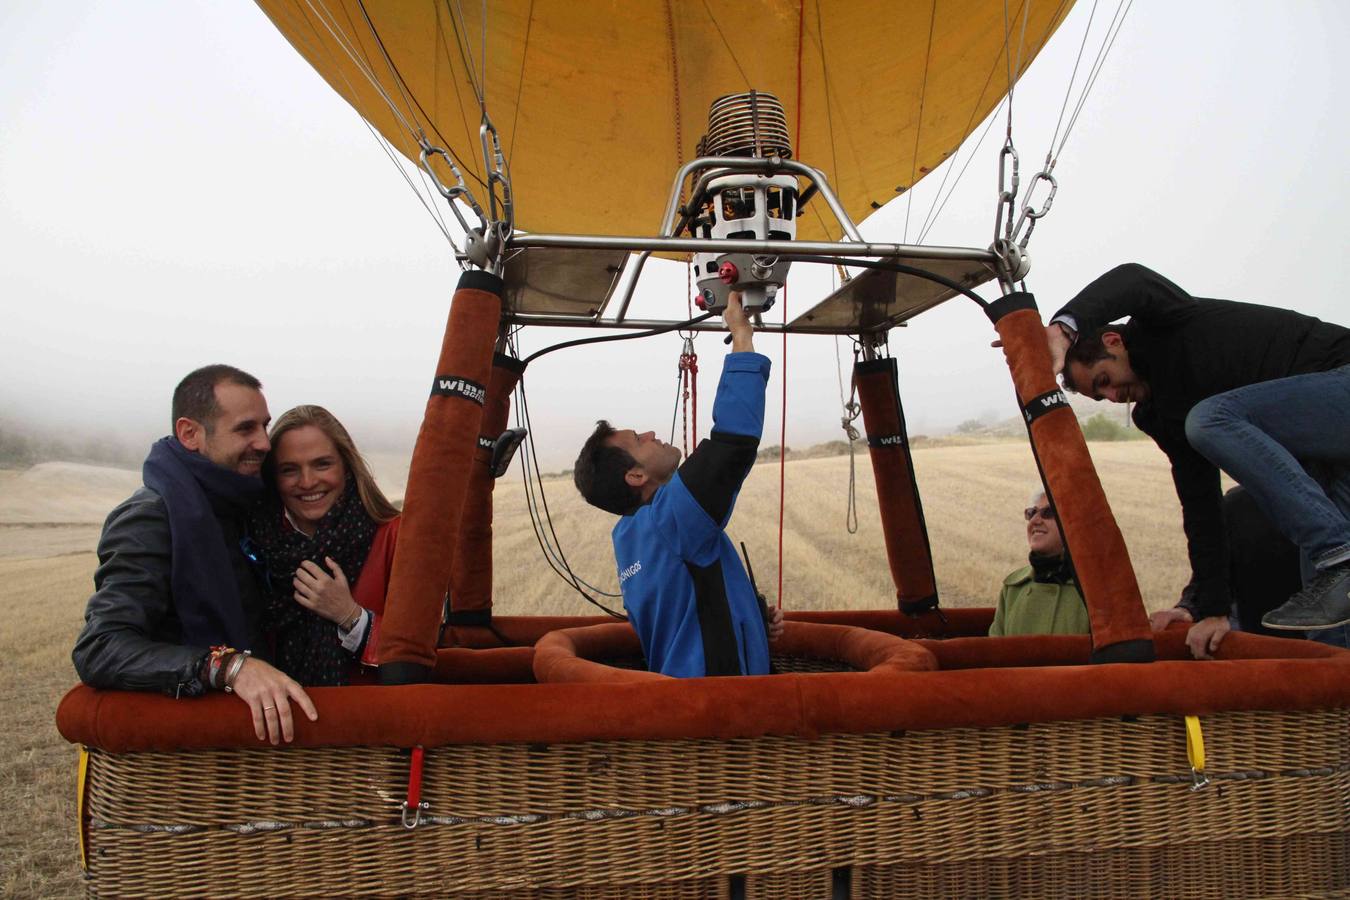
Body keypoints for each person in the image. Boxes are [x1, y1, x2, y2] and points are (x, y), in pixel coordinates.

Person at [1046, 263, 1350, 658]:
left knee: (1210, 419)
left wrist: (1062, 328)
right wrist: (1208, 608)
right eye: (1099, 397)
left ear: (1114, 341)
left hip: (1340, 379)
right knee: (1327, 618)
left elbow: (1134, 278)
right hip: (1331, 458)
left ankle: (1338, 554)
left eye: (1103, 380)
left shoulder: (1169, 325)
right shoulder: (1162, 414)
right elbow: (1200, 503)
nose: (1112, 398)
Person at [72, 365, 317, 744]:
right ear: (190, 433)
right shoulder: (152, 516)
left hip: (254, 746)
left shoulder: (243, 509)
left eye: (264, 426)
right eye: (245, 428)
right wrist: (226, 666)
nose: (265, 443)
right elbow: (101, 648)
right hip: (186, 760)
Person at [572, 292, 783, 677]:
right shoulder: (669, 521)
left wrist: (749, 616)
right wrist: (741, 335)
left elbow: (689, 617)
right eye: (639, 439)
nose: (652, 433)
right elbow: (732, 441)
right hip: (723, 711)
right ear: (635, 476)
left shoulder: (631, 537)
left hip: (687, 707)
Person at [249, 405, 401, 686]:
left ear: (346, 465)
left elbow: (423, 650)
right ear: (273, 478)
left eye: (322, 464)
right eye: (289, 469)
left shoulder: (396, 538)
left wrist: (349, 615)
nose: (307, 482)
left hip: (376, 720)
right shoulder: (255, 547)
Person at [989, 490, 1090, 637]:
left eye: (1048, 512)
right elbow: (994, 654)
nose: (1035, 520)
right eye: (1031, 513)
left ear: (1073, 523)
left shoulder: (1093, 592)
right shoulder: (1013, 588)